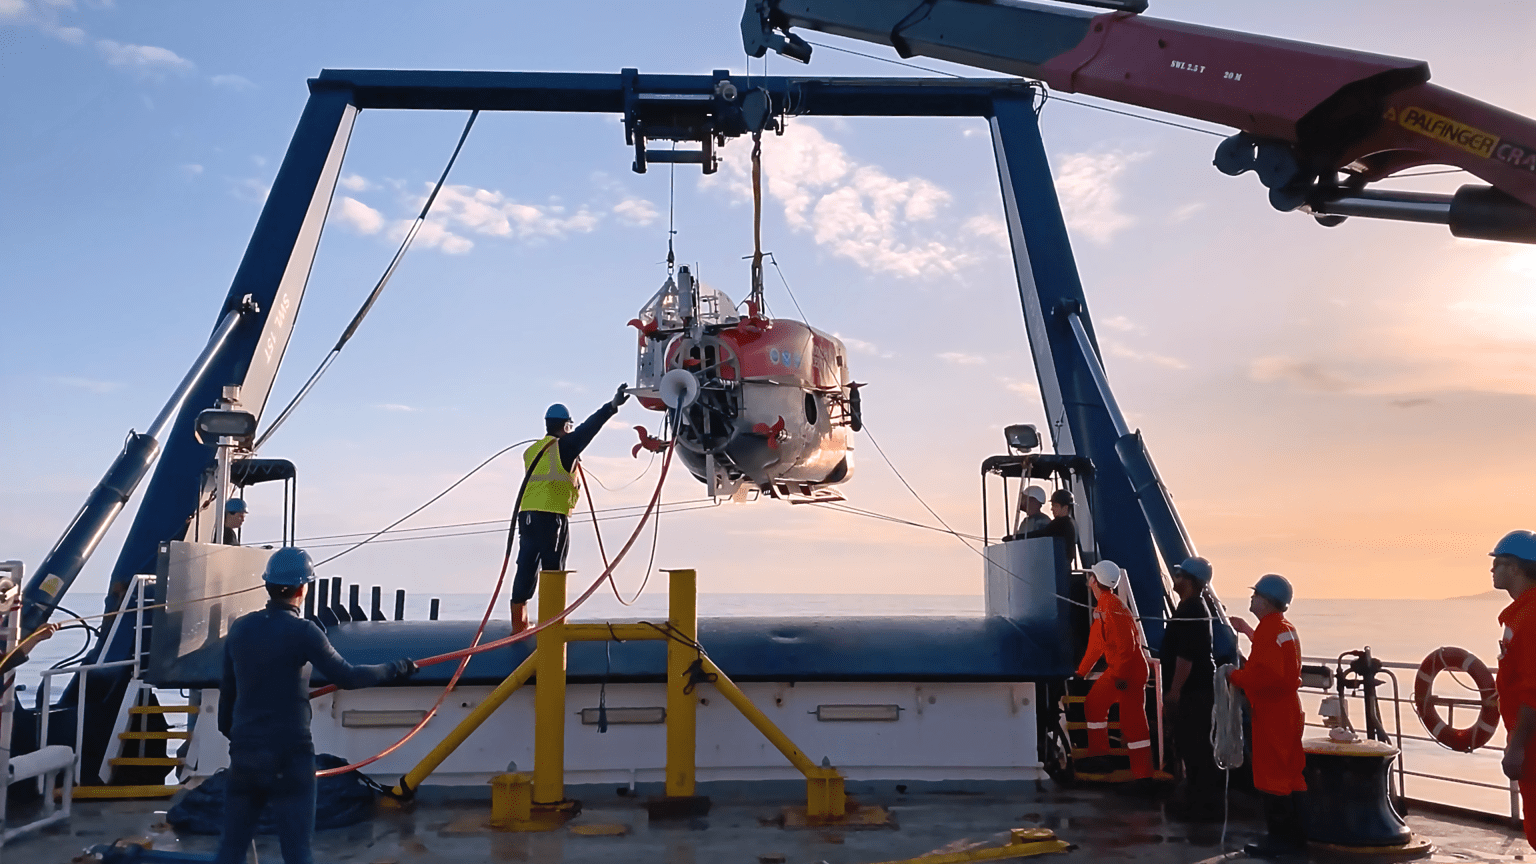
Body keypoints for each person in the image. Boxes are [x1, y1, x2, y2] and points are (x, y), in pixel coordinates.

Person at [215, 547, 416, 864]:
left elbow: (227, 697)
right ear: (302, 588)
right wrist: (396, 668)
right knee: (296, 853)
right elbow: (347, 676)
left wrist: (239, 740)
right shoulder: (304, 632)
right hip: (289, 758)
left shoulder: (240, 629)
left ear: (267, 585)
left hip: (245, 756)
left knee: (231, 849)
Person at [511, 385, 630, 633]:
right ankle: (552, 627)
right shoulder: (563, 448)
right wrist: (612, 406)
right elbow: (589, 428)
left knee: (525, 566)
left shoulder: (531, 451)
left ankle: (519, 625)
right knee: (553, 570)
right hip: (552, 517)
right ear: (565, 426)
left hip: (527, 518)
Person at [1226, 573, 1307, 858]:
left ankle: (1279, 840)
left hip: (1273, 712)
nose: (1252, 598)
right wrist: (1248, 631)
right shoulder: (1282, 628)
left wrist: (1233, 675)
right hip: (1288, 710)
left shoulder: (1269, 631)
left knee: (1272, 776)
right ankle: (1296, 837)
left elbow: (1267, 677)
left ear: (1266, 600)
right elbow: (1273, 660)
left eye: (1255, 595)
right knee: (1291, 773)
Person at [1076, 560, 1153, 780]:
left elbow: (1126, 645)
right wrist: (1081, 672)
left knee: (1133, 722)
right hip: (1121, 670)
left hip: (1127, 672)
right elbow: (1097, 645)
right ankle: (1099, 756)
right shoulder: (1105, 606)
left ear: (1093, 581)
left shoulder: (1111, 607)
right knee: (1094, 704)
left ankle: (1143, 775)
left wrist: (1119, 677)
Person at [1160, 556, 1221, 820]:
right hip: (1196, 690)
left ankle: (1202, 806)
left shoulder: (1191, 610)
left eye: (1179, 576)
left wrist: (1174, 691)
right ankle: (1198, 801)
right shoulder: (1192, 607)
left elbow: (1186, 658)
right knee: (1192, 746)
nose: (1176, 580)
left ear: (1189, 581)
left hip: (1193, 692)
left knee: (1195, 747)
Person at [1491, 530, 1536, 851]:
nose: (1492, 571)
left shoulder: (1529, 618)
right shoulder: (1520, 614)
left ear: (1515, 567)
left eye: (1497, 564)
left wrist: (1518, 746)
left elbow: (1533, 689)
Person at [1025, 488, 1077, 564]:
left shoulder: (1060, 524)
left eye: (1055, 506)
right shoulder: (1070, 523)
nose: (1052, 509)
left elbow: (1041, 534)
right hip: (1063, 566)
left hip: (1056, 567)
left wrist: (1017, 538)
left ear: (1065, 508)